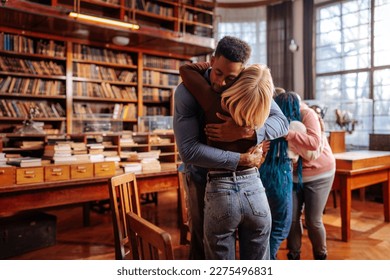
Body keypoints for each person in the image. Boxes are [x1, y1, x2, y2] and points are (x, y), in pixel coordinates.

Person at [173, 35, 289, 259]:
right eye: (218, 73)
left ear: (242, 71)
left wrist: (249, 132)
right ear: (212, 60)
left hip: (248, 179)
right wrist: (240, 159)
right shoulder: (186, 92)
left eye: (231, 77)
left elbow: (282, 122)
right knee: (202, 246)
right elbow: (188, 151)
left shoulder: (244, 84)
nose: (222, 83)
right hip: (200, 175)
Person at [280, 91, 335, 260]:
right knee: (292, 219)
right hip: (294, 174)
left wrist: (287, 133)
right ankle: (294, 256)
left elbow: (314, 143)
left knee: (313, 220)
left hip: (320, 172)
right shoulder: (281, 116)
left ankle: (320, 256)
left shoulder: (307, 113)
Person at [259, 88, 300, 260]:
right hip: (281, 173)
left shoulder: (264, 121)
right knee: (281, 225)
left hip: (262, 173)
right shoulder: (295, 126)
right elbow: (299, 156)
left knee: (265, 223)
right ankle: (269, 261)